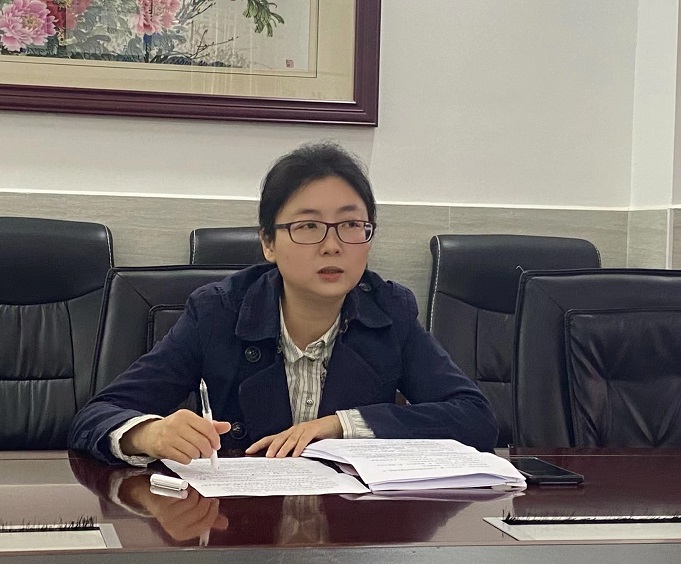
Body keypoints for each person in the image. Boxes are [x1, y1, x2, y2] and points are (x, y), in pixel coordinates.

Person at [68, 142, 498, 466]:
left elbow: (475, 418)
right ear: (268, 243)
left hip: (352, 531)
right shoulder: (217, 313)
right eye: (308, 226)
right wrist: (150, 434)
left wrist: (342, 424)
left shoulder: (388, 312)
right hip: (237, 529)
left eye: (351, 224)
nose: (332, 245)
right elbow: (96, 415)